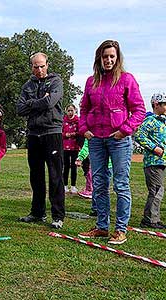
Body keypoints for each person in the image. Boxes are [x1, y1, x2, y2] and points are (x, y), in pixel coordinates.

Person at [78, 40, 146, 245]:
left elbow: (139, 110)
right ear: (99, 58)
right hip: (96, 140)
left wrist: (124, 130)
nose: (108, 60)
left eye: (112, 56)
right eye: (105, 56)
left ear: (117, 58)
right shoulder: (91, 82)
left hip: (119, 140)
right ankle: (101, 226)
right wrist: (83, 129)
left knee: (121, 184)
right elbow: (83, 109)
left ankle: (121, 229)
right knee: (98, 183)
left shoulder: (127, 79)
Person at [16, 52, 65, 229]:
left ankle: (58, 216)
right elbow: (19, 109)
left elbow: (50, 103)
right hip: (33, 134)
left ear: (47, 64)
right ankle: (37, 213)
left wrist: (31, 104)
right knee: (35, 176)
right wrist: (38, 102)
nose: (39, 69)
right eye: (36, 66)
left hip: (52, 133)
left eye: (42, 66)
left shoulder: (56, 81)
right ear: (32, 67)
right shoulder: (27, 85)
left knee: (55, 176)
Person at [134, 92, 166, 229]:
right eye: (164, 104)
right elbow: (139, 136)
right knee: (156, 190)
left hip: (162, 162)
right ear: (156, 104)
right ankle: (150, 220)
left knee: (159, 190)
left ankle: (154, 218)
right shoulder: (150, 121)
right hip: (153, 162)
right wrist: (154, 148)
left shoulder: (163, 122)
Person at [62, 104, 80, 194]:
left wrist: (74, 134)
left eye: (71, 110)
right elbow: (59, 133)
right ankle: (64, 186)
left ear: (75, 111)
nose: (70, 112)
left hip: (75, 147)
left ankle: (73, 186)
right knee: (65, 167)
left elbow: (81, 132)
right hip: (65, 147)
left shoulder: (78, 121)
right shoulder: (63, 121)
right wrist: (65, 135)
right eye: (68, 110)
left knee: (74, 167)